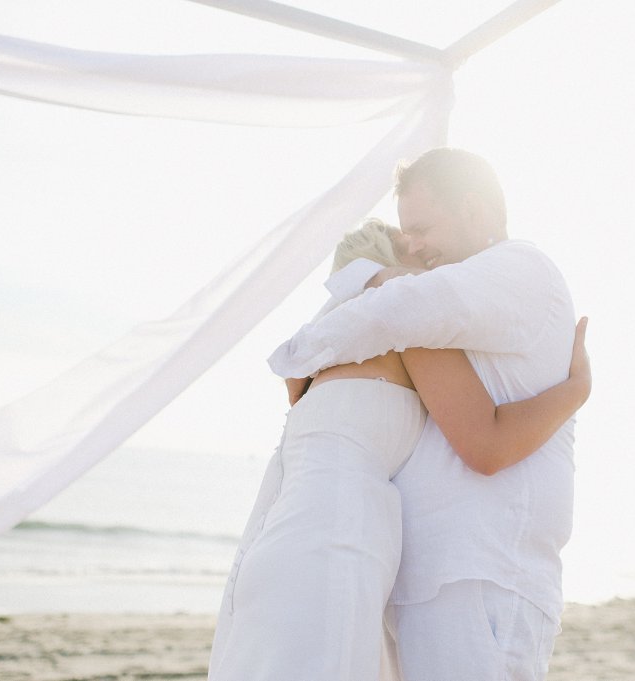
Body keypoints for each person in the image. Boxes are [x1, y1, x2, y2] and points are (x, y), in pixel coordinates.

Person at [209, 218, 590, 681]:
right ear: (396, 270)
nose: (437, 265)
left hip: (281, 539)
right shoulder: (407, 331)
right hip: (340, 538)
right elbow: (487, 442)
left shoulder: (318, 348)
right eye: (420, 254)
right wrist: (576, 390)